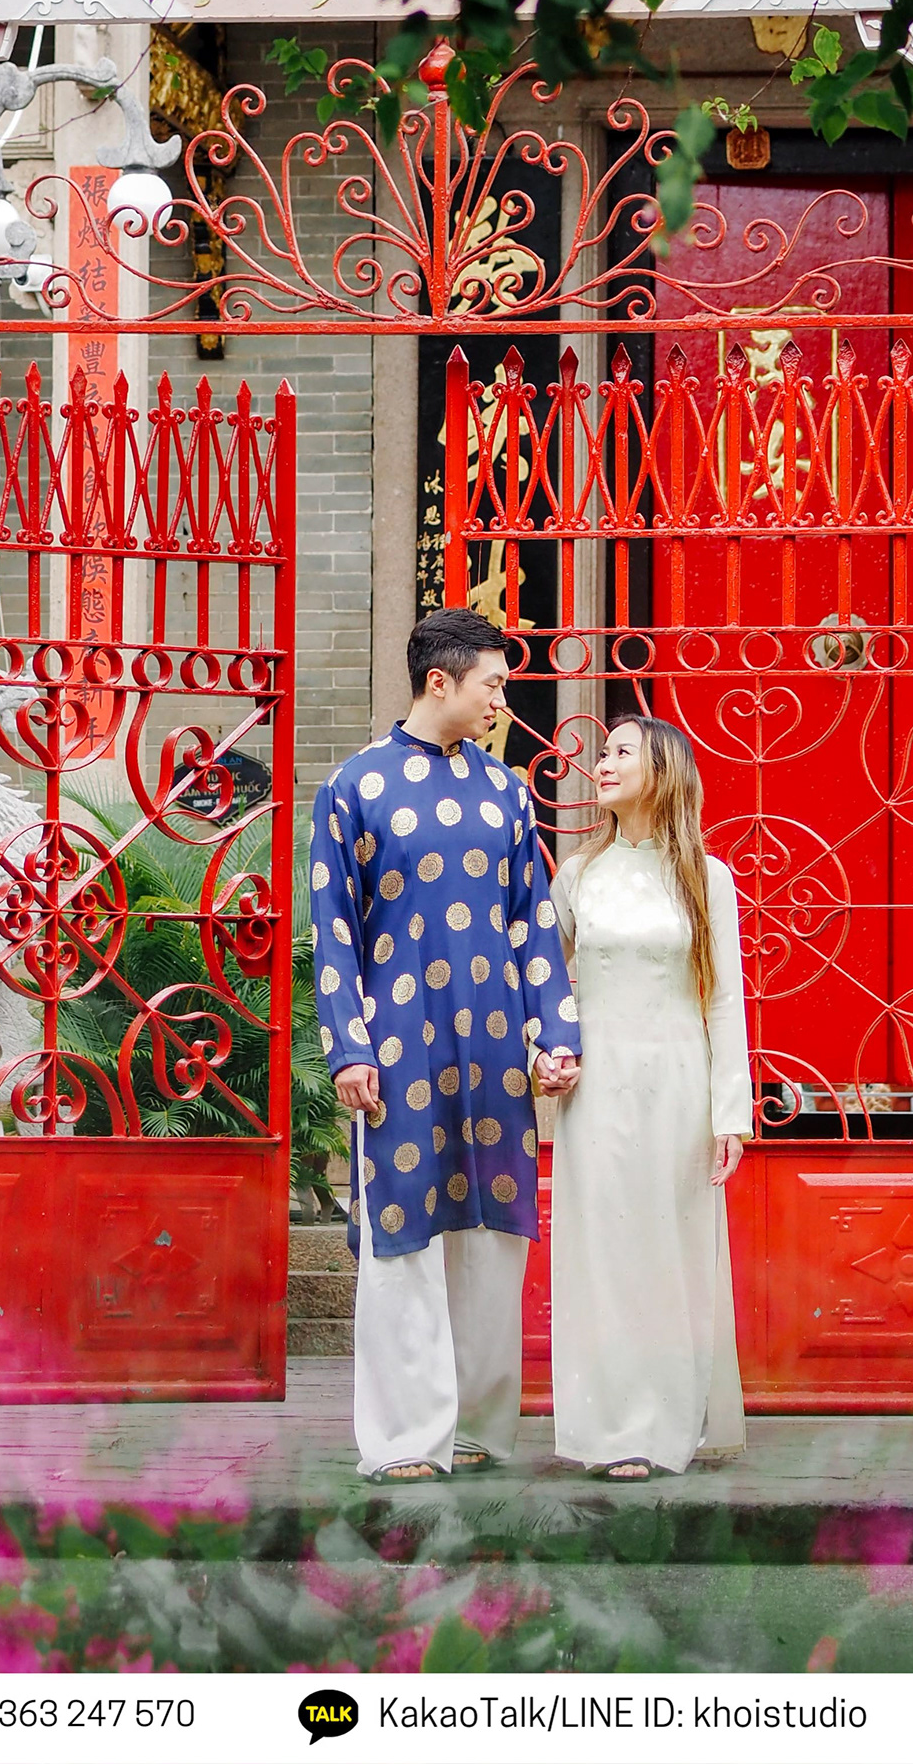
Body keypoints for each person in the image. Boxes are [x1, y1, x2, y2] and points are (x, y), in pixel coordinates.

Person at [309, 607, 581, 1481]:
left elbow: (534, 925)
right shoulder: (353, 786)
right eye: (494, 683)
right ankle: (401, 1441)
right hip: (397, 1050)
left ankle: (479, 1428)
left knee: (494, 1236)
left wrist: (556, 1034)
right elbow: (334, 932)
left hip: (497, 1047)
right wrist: (349, 1048)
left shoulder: (504, 793)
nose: (504, 699)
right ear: (441, 681)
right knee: (402, 1233)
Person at [548, 712, 751, 1479]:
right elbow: (546, 984)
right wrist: (549, 1054)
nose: (604, 763)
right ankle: (608, 1430)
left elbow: (723, 998)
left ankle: (666, 1422)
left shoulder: (706, 876)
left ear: (662, 770)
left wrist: (730, 1110)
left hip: (677, 1082)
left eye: (622, 753)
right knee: (601, 1250)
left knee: (670, 1251)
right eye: (603, 753)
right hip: (597, 1088)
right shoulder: (577, 875)